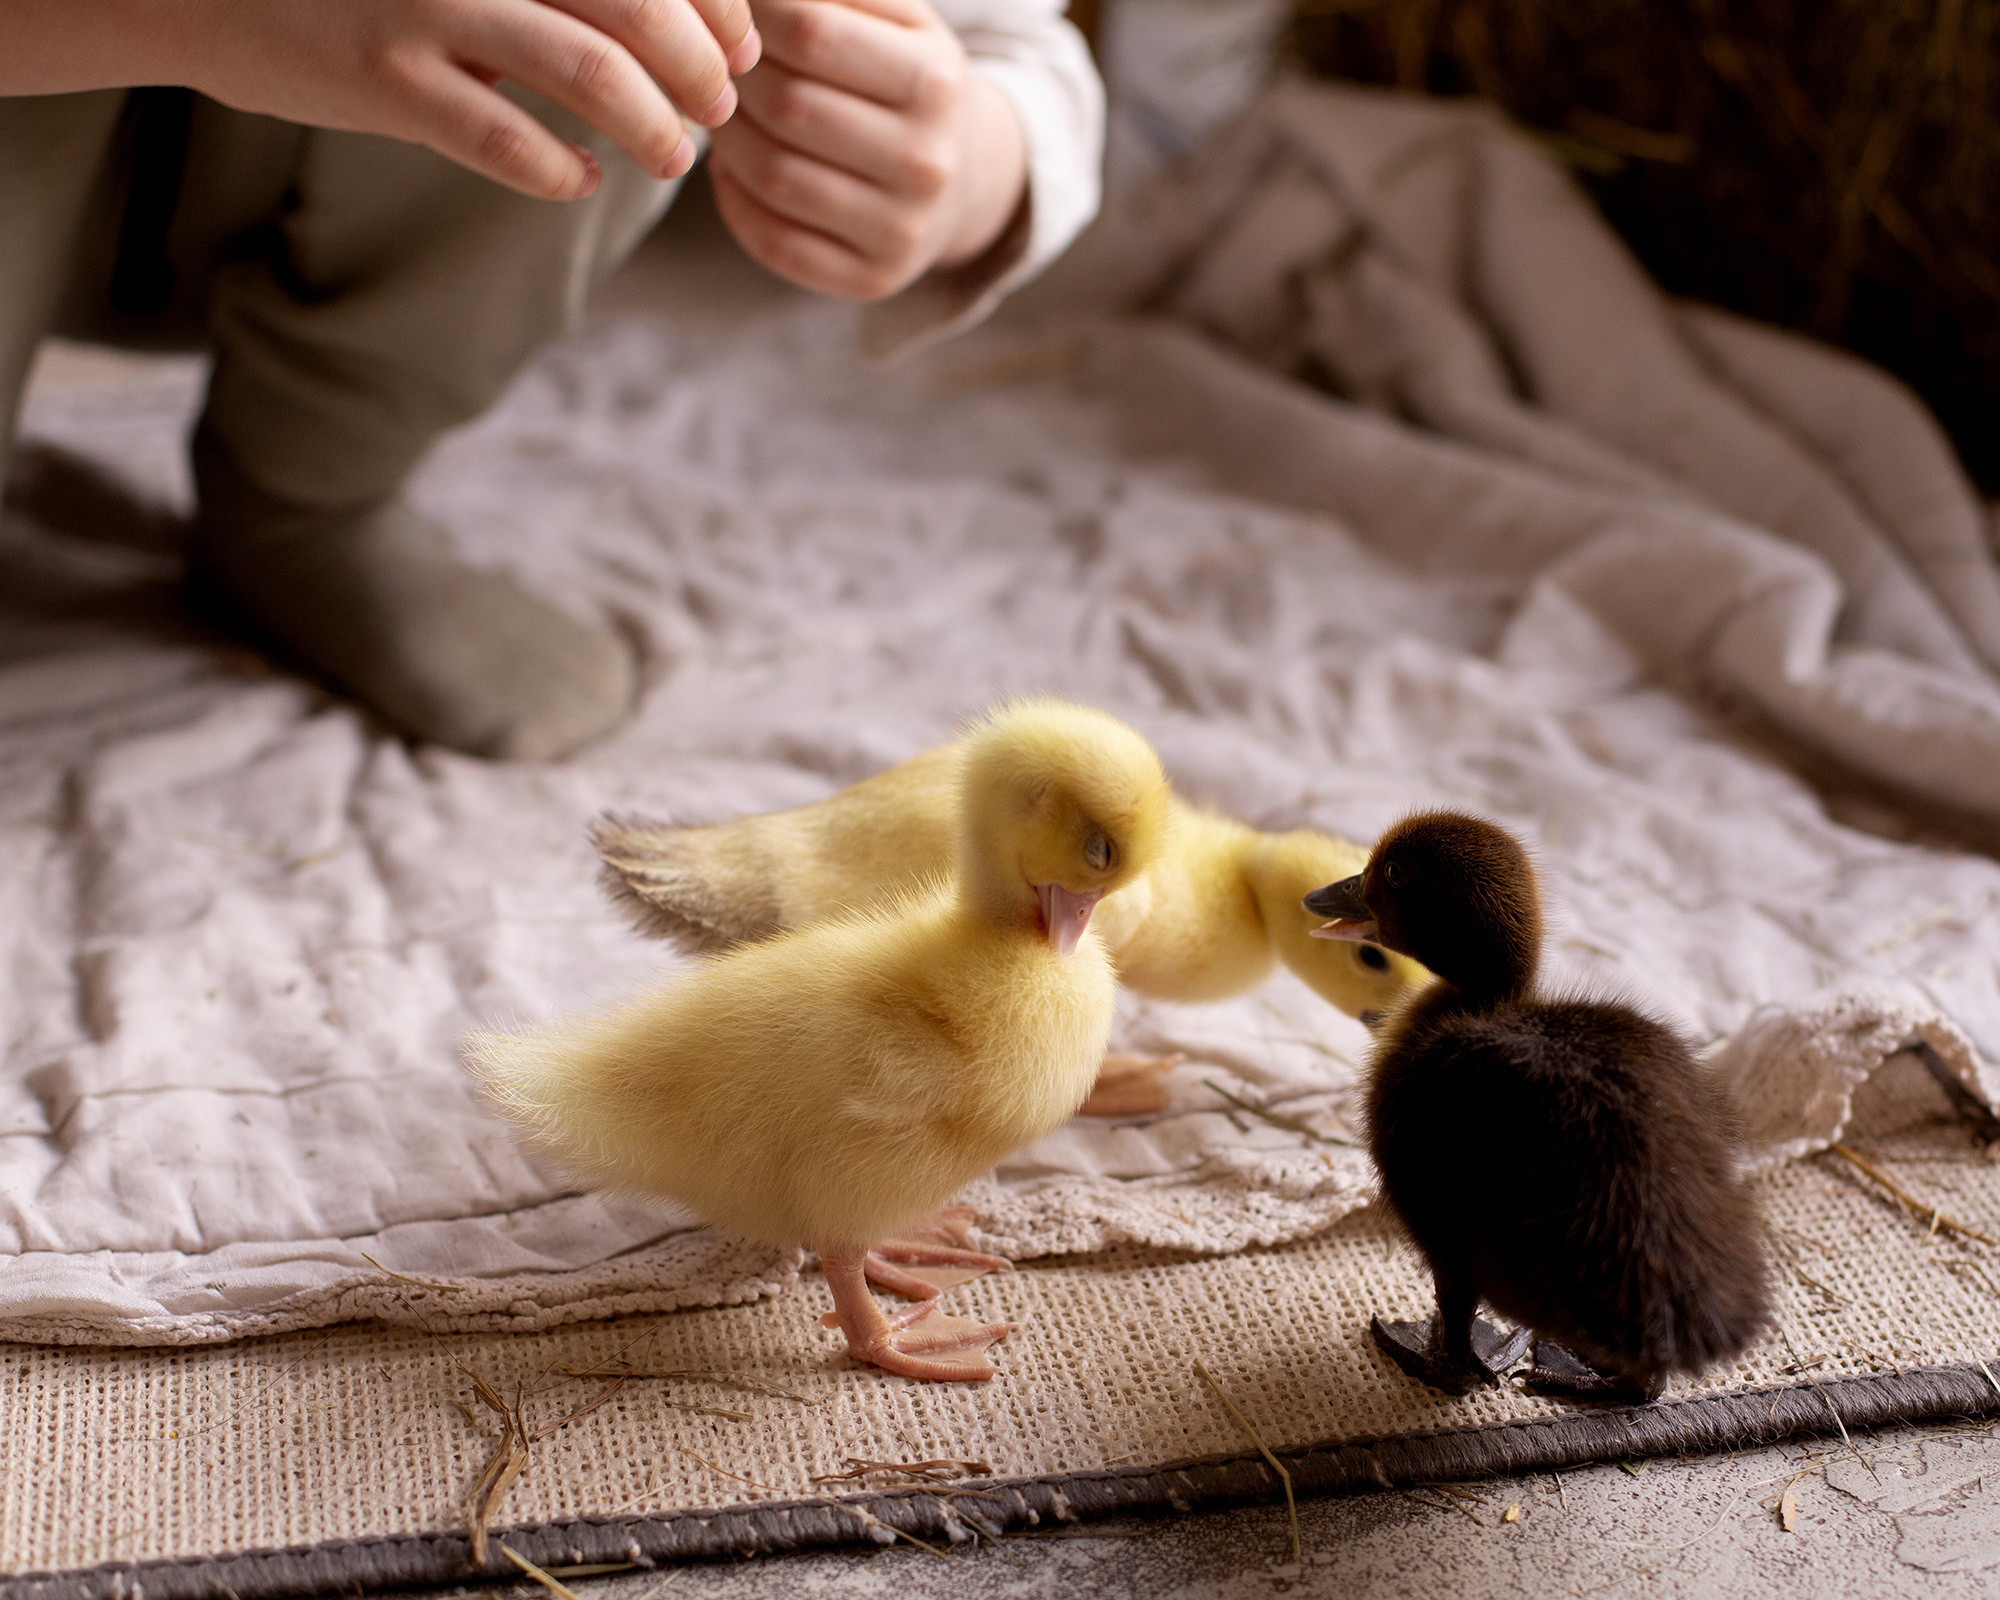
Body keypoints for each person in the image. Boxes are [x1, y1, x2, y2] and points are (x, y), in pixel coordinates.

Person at [2, 0, 1102, 757]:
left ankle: (306, 479)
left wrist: (959, 158)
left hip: (276, 173)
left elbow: (1018, 51)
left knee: (603, 19)